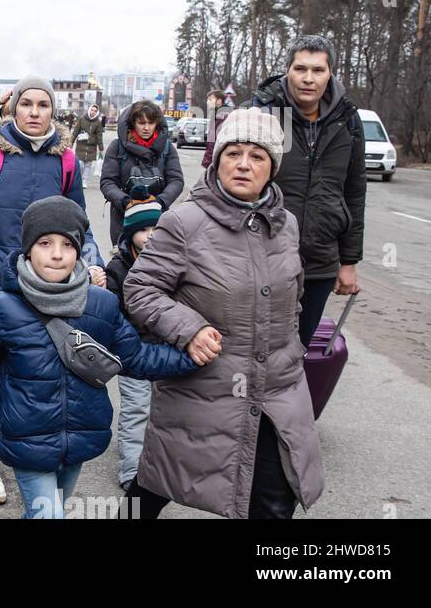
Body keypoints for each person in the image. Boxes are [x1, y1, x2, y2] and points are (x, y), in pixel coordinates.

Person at [0, 196, 198, 518]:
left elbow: (136, 357)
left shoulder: (101, 304)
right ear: (28, 248)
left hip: (80, 440)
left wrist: (190, 357)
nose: (57, 254)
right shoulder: (5, 306)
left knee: (46, 511)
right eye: (45, 243)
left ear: (78, 250)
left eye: (67, 244)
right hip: (26, 442)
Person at [122, 108, 326, 519]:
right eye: (233, 152)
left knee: (273, 499)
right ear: (218, 159)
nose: (244, 164)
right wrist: (189, 329)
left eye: (257, 155)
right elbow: (139, 288)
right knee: (157, 482)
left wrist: (291, 348)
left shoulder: (286, 225)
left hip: (277, 391)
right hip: (203, 387)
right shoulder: (184, 221)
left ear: (272, 167)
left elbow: (296, 294)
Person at [0, 75, 103, 505]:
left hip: (47, 286)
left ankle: (27, 452)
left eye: (42, 105)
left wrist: (95, 263)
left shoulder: (65, 161)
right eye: (26, 103)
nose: (33, 112)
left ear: (52, 110)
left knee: (36, 371)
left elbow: (79, 224)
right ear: (13, 110)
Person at [244, 34, 365, 347]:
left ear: (330, 74)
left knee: (296, 351)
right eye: (300, 69)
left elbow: (354, 192)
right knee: (253, 347)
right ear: (287, 71)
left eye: (318, 70)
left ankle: (291, 397)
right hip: (261, 257)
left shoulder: (347, 121)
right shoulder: (262, 114)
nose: (308, 79)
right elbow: (223, 185)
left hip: (319, 263)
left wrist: (349, 262)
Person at [103, 198, 163, 491]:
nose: (151, 234)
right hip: (133, 352)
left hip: (165, 351)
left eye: (156, 228)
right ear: (130, 234)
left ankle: (157, 463)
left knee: (162, 410)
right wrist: (125, 344)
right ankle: (132, 471)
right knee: (137, 408)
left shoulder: (172, 263)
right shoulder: (117, 267)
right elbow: (112, 312)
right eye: (144, 229)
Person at [99, 100, 185, 251]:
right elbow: (107, 182)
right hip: (125, 217)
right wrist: (125, 201)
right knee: (123, 267)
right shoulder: (117, 147)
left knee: (158, 267)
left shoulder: (167, 148)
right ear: (133, 123)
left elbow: (176, 180)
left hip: (158, 217)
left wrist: (160, 202)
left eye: (151, 123)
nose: (146, 128)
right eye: (141, 122)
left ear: (157, 123)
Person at [70, 104, 105, 186]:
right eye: (92, 110)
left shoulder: (98, 122)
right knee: (80, 164)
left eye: (95, 111)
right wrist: (70, 142)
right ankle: (80, 178)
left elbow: (99, 136)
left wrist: (101, 148)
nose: (93, 112)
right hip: (81, 146)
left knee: (88, 166)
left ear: (97, 112)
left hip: (91, 147)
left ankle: (84, 182)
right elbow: (75, 132)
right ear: (89, 110)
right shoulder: (82, 119)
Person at [200, 89, 228, 169]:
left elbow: (215, 142)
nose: (207, 102)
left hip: (217, 163)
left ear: (219, 101)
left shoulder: (223, 116)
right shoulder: (218, 115)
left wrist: (209, 163)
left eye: (210, 99)